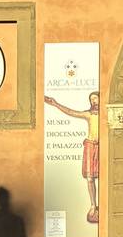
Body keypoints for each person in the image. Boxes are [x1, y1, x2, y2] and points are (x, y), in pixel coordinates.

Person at [43, 90, 101, 224]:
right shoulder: (89, 114)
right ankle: (93, 205)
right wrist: (56, 104)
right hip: (90, 146)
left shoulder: (105, 114)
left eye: (95, 98)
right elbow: (71, 112)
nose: (93, 101)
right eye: (91, 99)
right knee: (90, 178)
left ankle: (101, 206)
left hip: (102, 147)